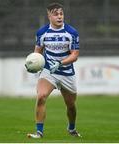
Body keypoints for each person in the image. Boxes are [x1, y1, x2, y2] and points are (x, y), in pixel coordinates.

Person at [26, 2, 81, 138]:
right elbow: (37, 53)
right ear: (49, 15)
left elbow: (75, 55)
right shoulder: (42, 32)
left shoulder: (71, 32)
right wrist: (32, 64)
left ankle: (72, 128)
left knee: (71, 105)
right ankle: (39, 132)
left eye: (61, 13)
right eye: (56, 14)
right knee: (41, 97)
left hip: (67, 73)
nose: (59, 16)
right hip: (49, 72)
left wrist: (60, 63)